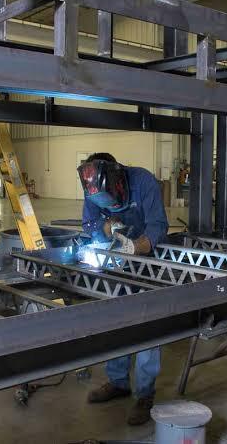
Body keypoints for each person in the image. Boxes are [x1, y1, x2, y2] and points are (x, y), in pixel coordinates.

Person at [77, 153, 169, 426]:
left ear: (119, 179)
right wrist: (104, 228)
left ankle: (145, 394)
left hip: (148, 261)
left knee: (146, 325)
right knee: (115, 320)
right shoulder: (92, 186)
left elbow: (158, 224)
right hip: (115, 261)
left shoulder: (143, 181)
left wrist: (138, 246)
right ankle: (118, 382)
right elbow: (89, 223)